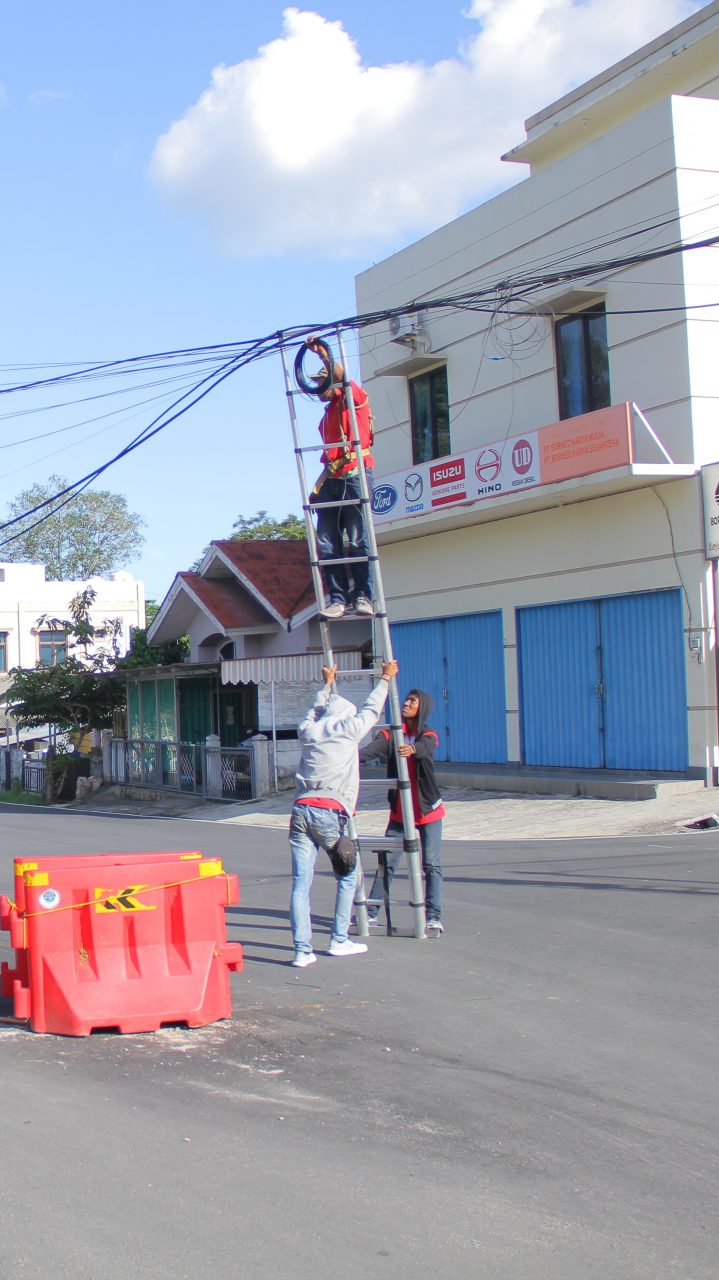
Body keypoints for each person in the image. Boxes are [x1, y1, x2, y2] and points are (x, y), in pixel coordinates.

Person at [286, 659, 396, 967]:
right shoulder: (349, 728)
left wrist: (326, 685)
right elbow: (371, 711)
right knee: (349, 874)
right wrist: (385, 679)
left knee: (300, 883)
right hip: (330, 812)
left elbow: (314, 711)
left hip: (300, 810)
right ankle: (338, 939)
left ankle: (301, 951)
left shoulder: (308, 731)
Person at [360, 688, 446, 936]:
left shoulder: (427, 734)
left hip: (428, 810)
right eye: (407, 699)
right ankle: (372, 912)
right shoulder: (392, 734)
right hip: (400, 813)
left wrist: (413, 750)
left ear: (423, 708)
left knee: (431, 864)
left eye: (413, 701)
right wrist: (345, 755)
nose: (407, 703)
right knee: (387, 863)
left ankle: (433, 917)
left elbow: (427, 747)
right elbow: (372, 750)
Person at [306, 344, 376, 620]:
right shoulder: (327, 413)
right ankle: (337, 598)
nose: (316, 389)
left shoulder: (353, 399)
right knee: (326, 543)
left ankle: (363, 595)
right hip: (332, 478)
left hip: (355, 474)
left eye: (320, 382)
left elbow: (344, 379)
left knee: (358, 540)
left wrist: (325, 355)